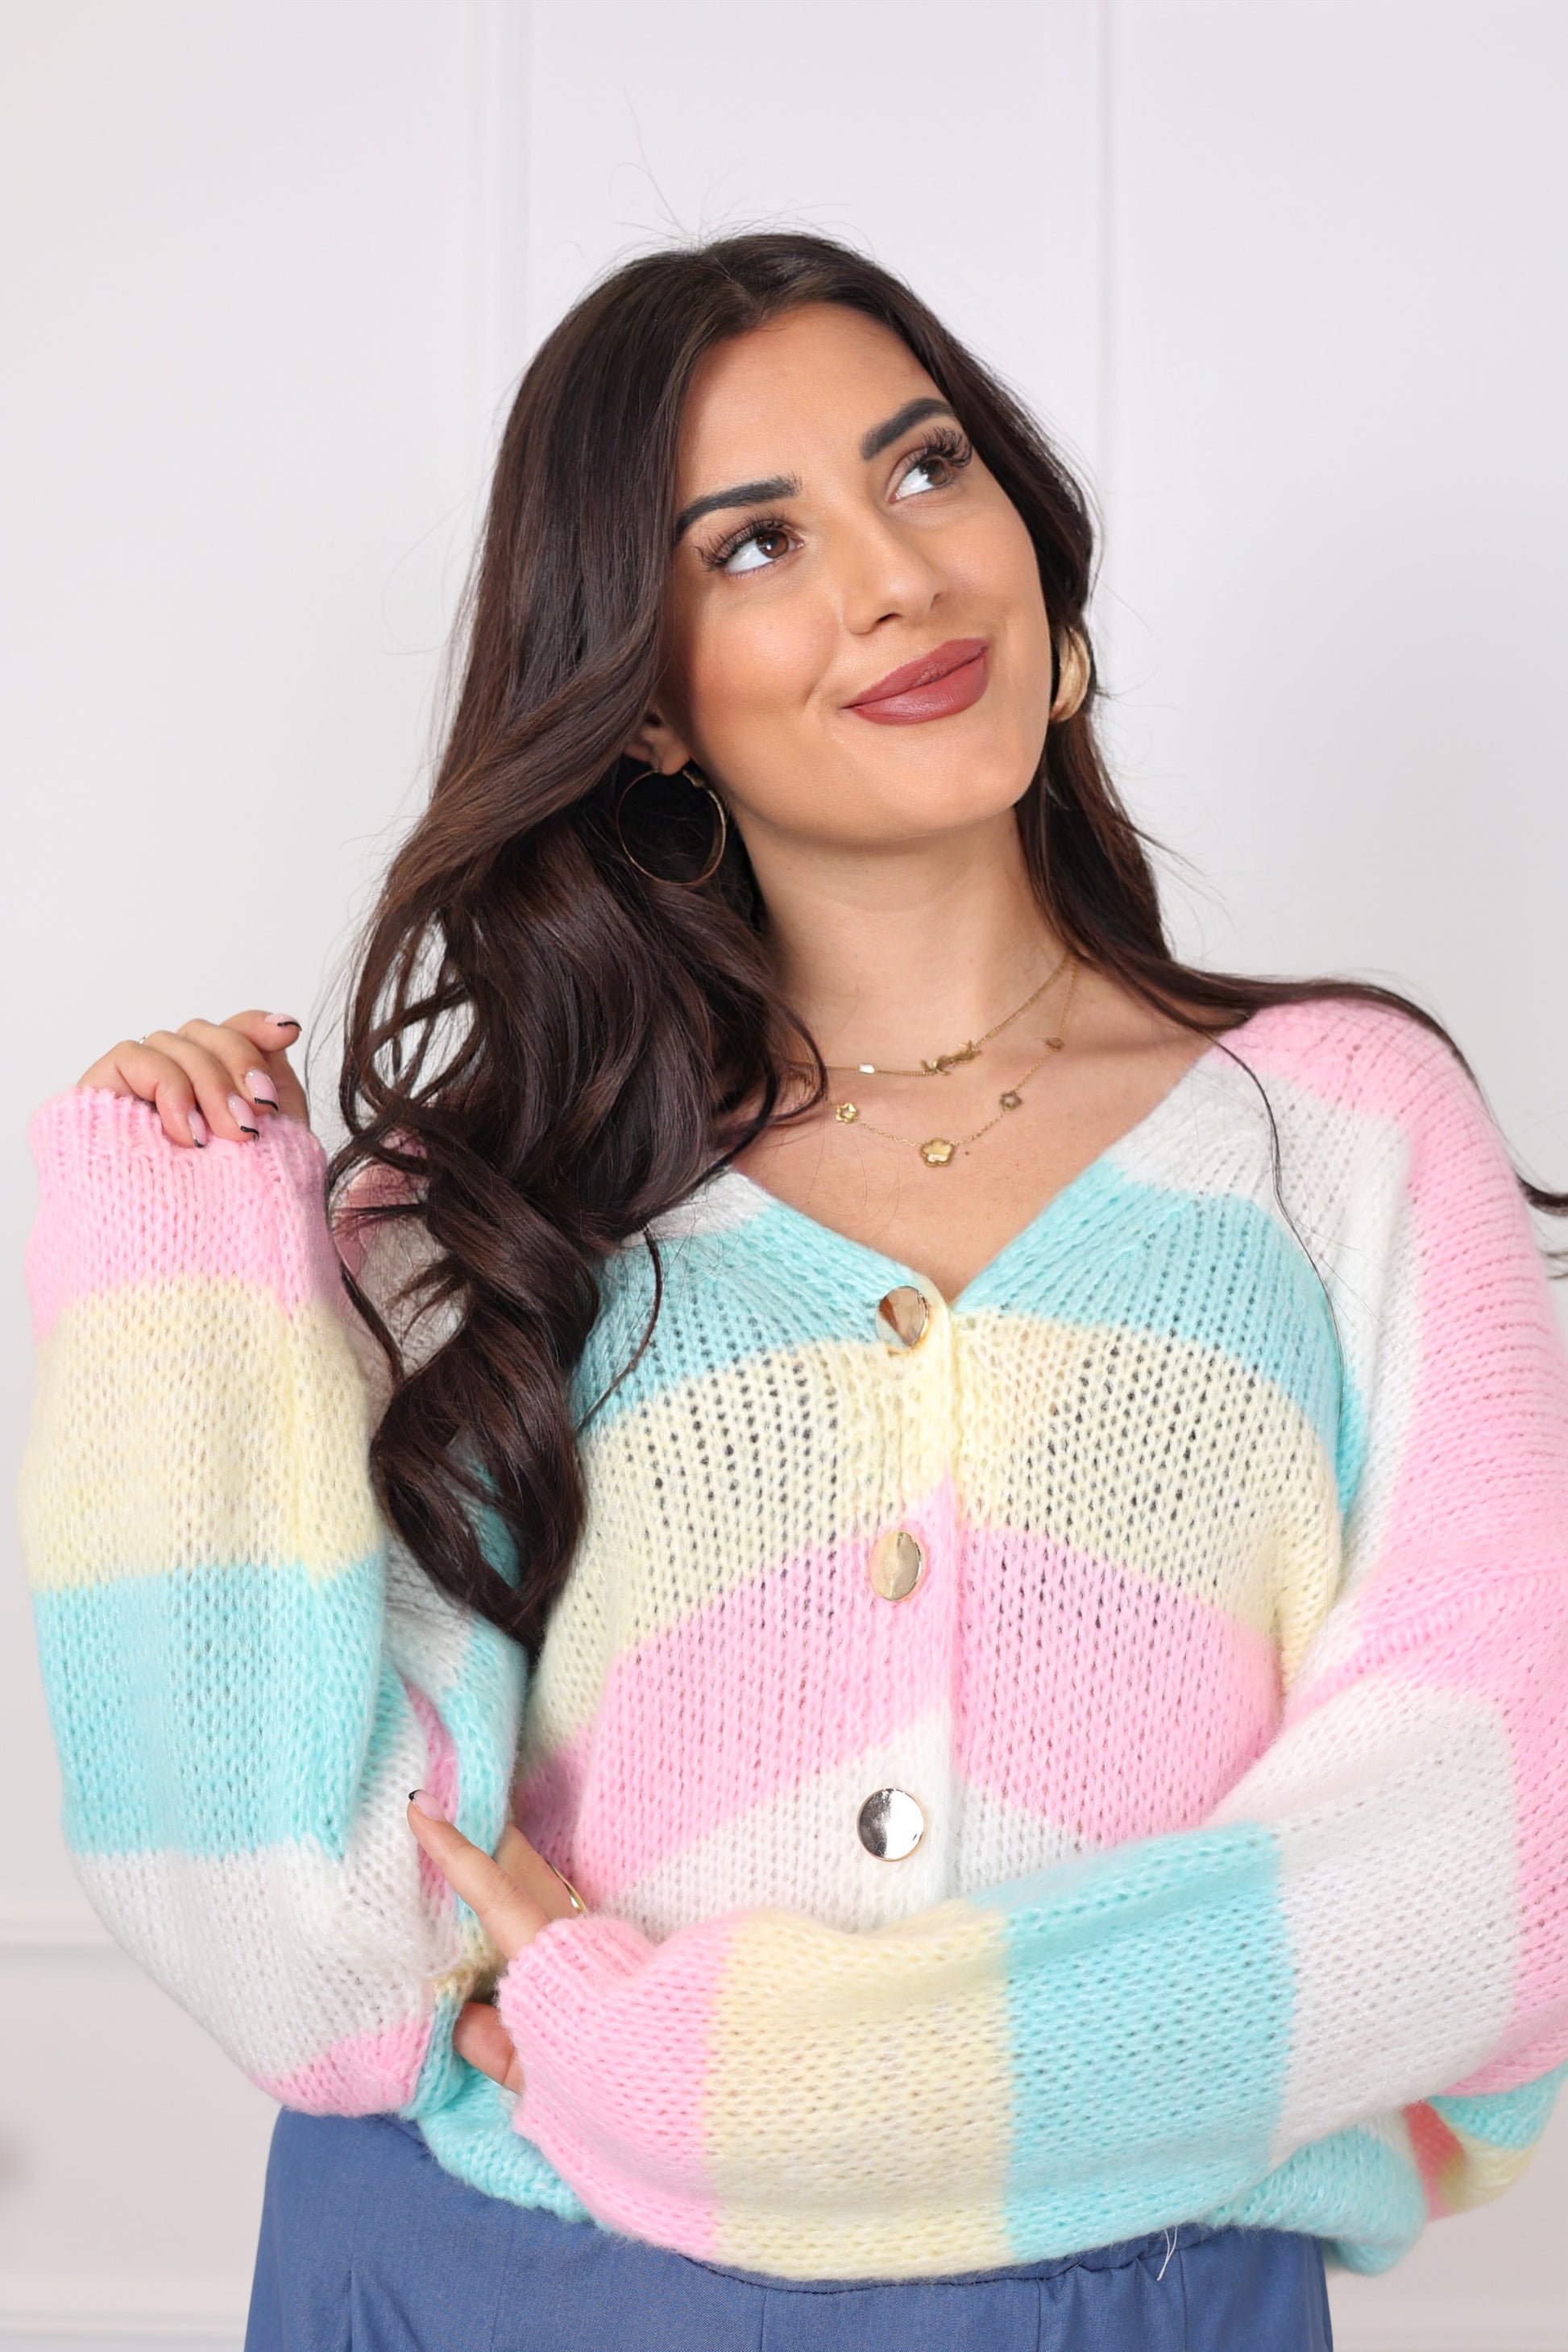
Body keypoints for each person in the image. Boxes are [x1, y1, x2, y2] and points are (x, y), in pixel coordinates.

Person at [19, 232, 1568, 2352]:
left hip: (1121, 2306)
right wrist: (172, 1254)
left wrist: (751, 2084)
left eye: (926, 471)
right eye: (755, 543)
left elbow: (1486, 1862)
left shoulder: (1344, 1142)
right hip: (510, 2287)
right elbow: (310, 1953)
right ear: (647, 697)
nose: (896, 577)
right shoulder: (492, 1211)